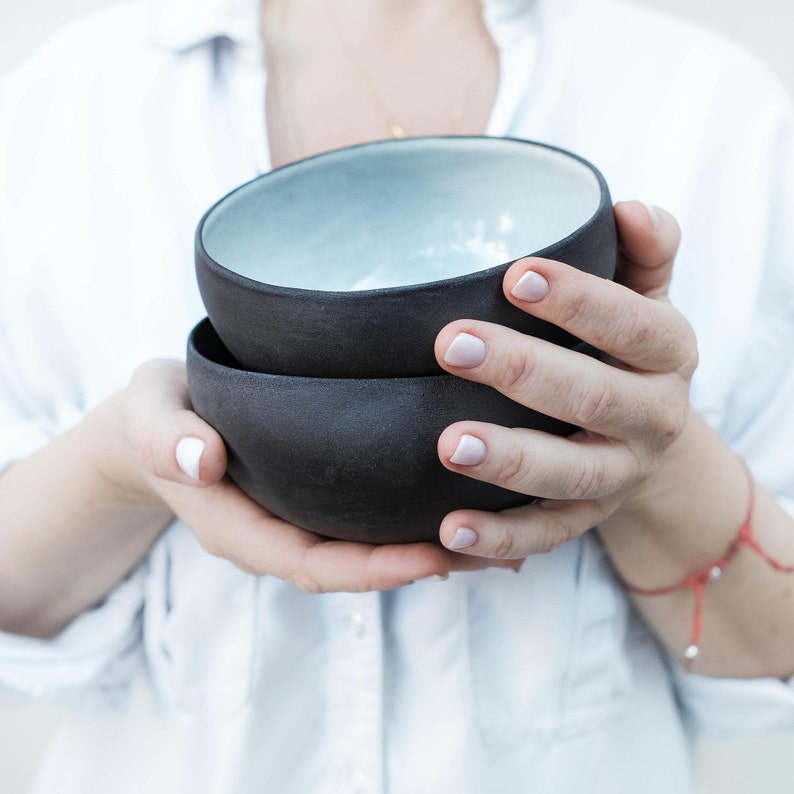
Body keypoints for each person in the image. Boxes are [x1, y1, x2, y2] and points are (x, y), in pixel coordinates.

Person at [1, 0, 794, 791]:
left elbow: (774, 644)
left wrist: (655, 452)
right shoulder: (68, 104)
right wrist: (124, 465)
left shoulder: (715, 110)